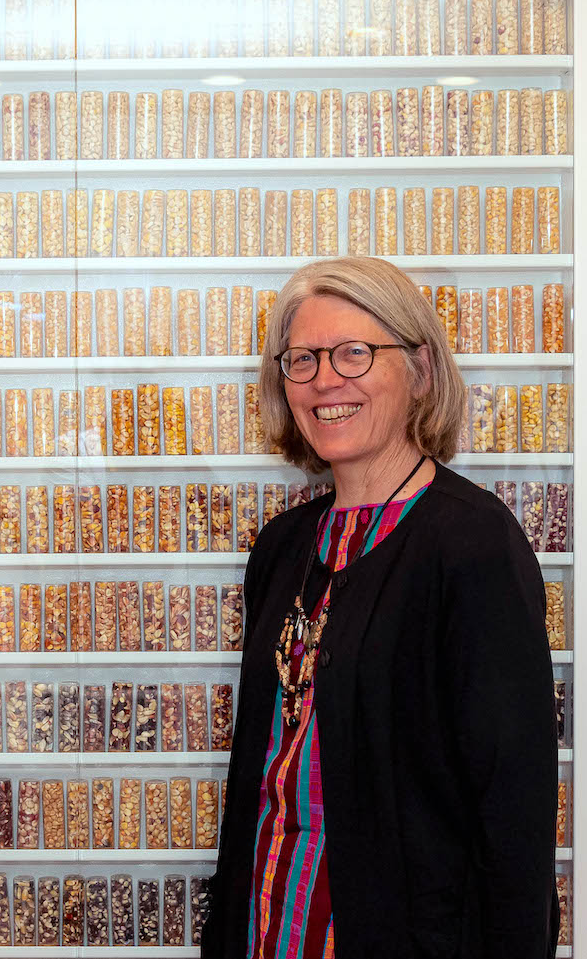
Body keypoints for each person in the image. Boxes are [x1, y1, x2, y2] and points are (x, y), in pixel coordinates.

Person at [199, 256, 559, 958]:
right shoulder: (283, 548)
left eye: (356, 353)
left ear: (420, 369)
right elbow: (262, 779)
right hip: (269, 932)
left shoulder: (472, 545)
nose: (326, 379)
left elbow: (513, 820)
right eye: (301, 359)